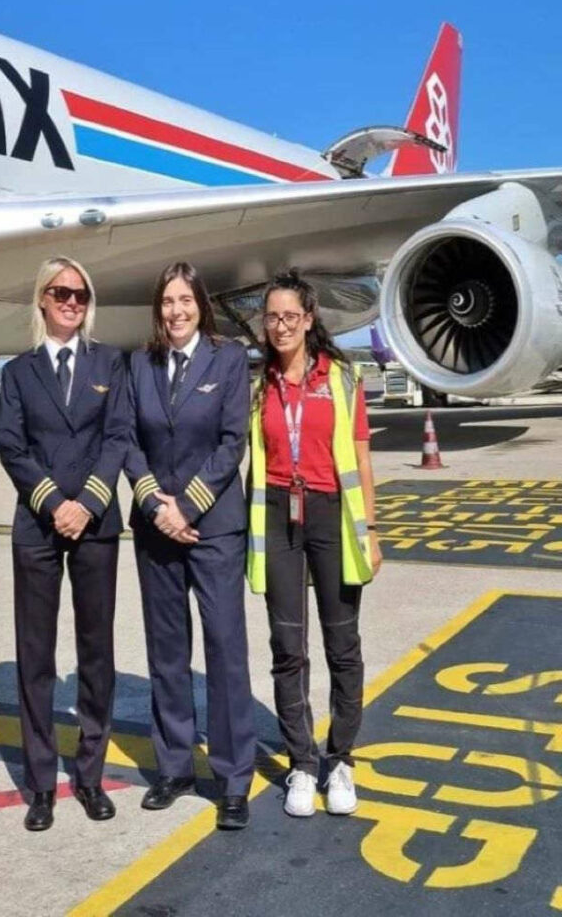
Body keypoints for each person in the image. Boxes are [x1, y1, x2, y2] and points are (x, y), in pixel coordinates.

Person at [0, 256, 128, 829]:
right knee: (37, 657)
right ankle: (42, 784)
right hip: (38, 525)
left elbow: (119, 437)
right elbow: (12, 447)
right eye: (60, 292)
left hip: (95, 523)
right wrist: (55, 504)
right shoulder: (19, 372)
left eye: (79, 293)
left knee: (97, 654)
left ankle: (91, 776)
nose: (71, 302)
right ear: (42, 300)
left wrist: (88, 504)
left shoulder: (109, 362)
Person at [125, 261, 257, 831]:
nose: (175, 312)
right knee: (167, 649)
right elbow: (127, 439)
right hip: (157, 527)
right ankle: (175, 767)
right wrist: (158, 505)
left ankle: (232, 780)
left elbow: (233, 442)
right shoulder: (140, 362)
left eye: (184, 301)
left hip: (213, 526)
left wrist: (189, 505)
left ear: (200, 303)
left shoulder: (227, 360)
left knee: (225, 649)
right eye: (166, 303)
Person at [246, 270, 382, 819]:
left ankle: (341, 759)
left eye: (291, 317)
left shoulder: (342, 378)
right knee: (287, 648)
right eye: (272, 317)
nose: (281, 327)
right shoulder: (258, 384)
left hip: (332, 515)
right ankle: (303, 763)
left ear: (310, 320)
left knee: (341, 646)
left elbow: (363, 456)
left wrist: (371, 530)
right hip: (279, 515)